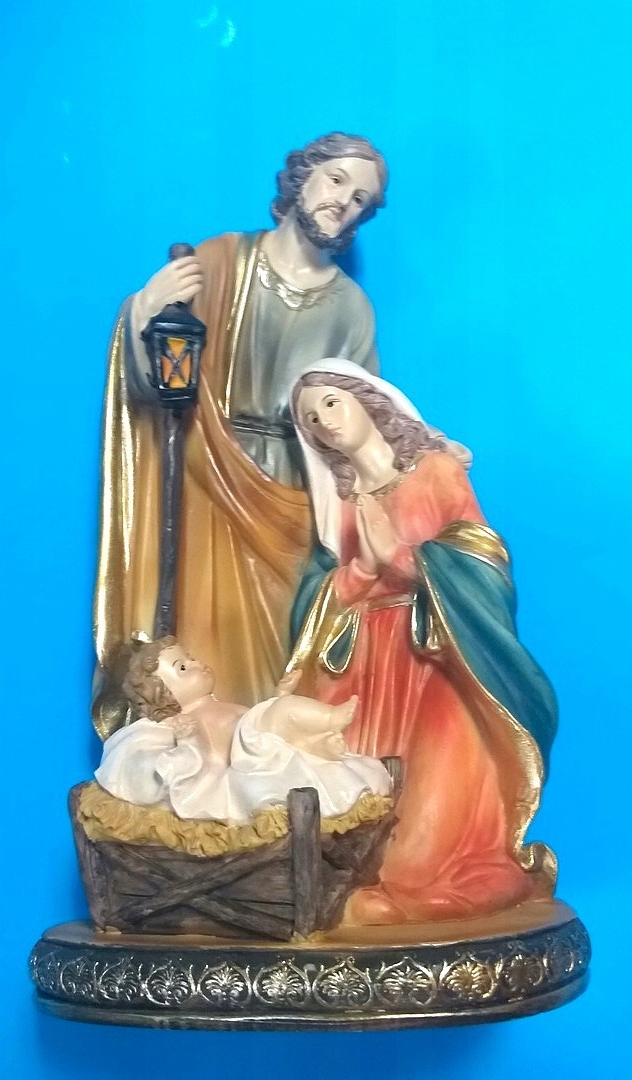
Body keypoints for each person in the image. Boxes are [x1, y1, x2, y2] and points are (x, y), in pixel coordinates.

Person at [93, 134, 389, 737]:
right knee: (204, 636)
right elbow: (155, 374)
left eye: (361, 198)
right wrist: (143, 311)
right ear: (302, 177)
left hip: (294, 497)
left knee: (286, 650)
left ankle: (271, 760)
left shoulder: (351, 309)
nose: (344, 202)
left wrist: (414, 455)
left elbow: (361, 417)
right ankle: (198, 752)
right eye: (336, 180)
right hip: (206, 474)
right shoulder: (221, 262)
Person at [286, 361, 559, 925]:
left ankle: (460, 885)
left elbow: (485, 562)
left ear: (368, 400)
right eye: (310, 418)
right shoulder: (337, 505)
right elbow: (318, 592)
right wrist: (360, 573)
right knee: (354, 813)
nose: (323, 421)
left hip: (440, 658)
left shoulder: (436, 472)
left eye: (332, 403)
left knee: (419, 840)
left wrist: (403, 561)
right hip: (364, 670)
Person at [93, 636, 391, 824]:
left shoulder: (216, 704)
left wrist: (279, 695)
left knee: (282, 717)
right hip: (250, 755)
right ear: (163, 695)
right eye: (182, 668)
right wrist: (188, 740)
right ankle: (330, 720)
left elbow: (257, 719)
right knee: (281, 712)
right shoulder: (188, 718)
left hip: (263, 745)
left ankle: (321, 745)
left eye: (190, 657)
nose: (196, 664)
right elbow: (208, 755)